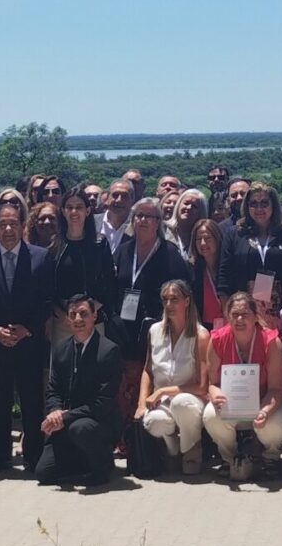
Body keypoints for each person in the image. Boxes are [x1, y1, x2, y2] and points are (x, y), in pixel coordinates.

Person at [0, 203, 53, 475]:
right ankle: (1, 456)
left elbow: (47, 300)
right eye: (2, 224)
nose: (8, 229)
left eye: (13, 224)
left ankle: (34, 456)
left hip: (29, 343)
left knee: (32, 402)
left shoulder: (41, 258)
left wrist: (27, 329)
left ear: (22, 226)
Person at [111, 197, 192, 443]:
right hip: (123, 329)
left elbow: (183, 291)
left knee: (147, 379)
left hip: (157, 329)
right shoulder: (123, 250)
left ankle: (149, 439)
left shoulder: (170, 253)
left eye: (149, 216)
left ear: (158, 222)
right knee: (122, 385)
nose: (143, 220)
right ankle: (124, 439)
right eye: (139, 216)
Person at [35, 294, 123, 487]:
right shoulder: (60, 350)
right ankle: (85, 462)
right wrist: (55, 411)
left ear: (94, 317)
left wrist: (65, 417)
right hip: (69, 422)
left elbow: (103, 403)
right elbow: (53, 390)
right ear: (67, 320)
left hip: (98, 423)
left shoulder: (108, 351)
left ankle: (103, 467)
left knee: (80, 428)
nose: (78, 320)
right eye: (73, 314)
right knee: (44, 473)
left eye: (83, 314)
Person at [203, 292, 282, 481]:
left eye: (245, 314)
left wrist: (265, 411)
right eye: (235, 314)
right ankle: (230, 458)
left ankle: (271, 457)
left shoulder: (270, 341)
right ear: (228, 317)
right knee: (211, 415)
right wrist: (215, 394)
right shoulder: (217, 340)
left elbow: (277, 388)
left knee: (275, 422)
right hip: (233, 405)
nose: (240, 319)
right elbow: (212, 384)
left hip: (265, 401)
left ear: (255, 316)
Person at [218, 182, 282, 341]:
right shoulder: (234, 235)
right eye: (253, 203)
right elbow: (224, 279)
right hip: (244, 311)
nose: (259, 208)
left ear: (273, 205)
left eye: (264, 203)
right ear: (247, 206)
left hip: (281, 310)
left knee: (279, 360)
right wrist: (228, 316)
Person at [136, 280, 209, 474]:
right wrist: (141, 404)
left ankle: (192, 451)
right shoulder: (154, 331)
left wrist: (162, 391)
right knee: (154, 422)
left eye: (174, 299)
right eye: (165, 300)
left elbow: (202, 386)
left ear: (187, 301)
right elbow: (147, 370)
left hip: (191, 399)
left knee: (181, 403)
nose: (169, 305)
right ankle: (172, 451)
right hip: (162, 402)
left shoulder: (200, 335)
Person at [50, 189, 118, 339]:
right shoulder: (55, 245)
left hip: (93, 320)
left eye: (79, 207)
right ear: (63, 211)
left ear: (87, 211)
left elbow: (109, 281)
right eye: (69, 207)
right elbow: (48, 287)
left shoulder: (100, 243)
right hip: (63, 321)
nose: (74, 211)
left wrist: (89, 312)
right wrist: (64, 316)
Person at [191, 218, 225, 329]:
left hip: (230, 326)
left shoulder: (229, 267)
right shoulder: (194, 270)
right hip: (205, 328)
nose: (202, 243)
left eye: (207, 238)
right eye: (198, 239)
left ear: (217, 238)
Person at [165, 188, 208, 261]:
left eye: (194, 206)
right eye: (186, 203)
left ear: (201, 212)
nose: (188, 208)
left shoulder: (204, 237)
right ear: (178, 205)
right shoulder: (162, 229)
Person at [96, 179, 135, 254]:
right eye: (115, 195)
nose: (119, 200)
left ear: (132, 199)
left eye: (124, 196)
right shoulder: (91, 222)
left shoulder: (137, 226)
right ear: (107, 198)